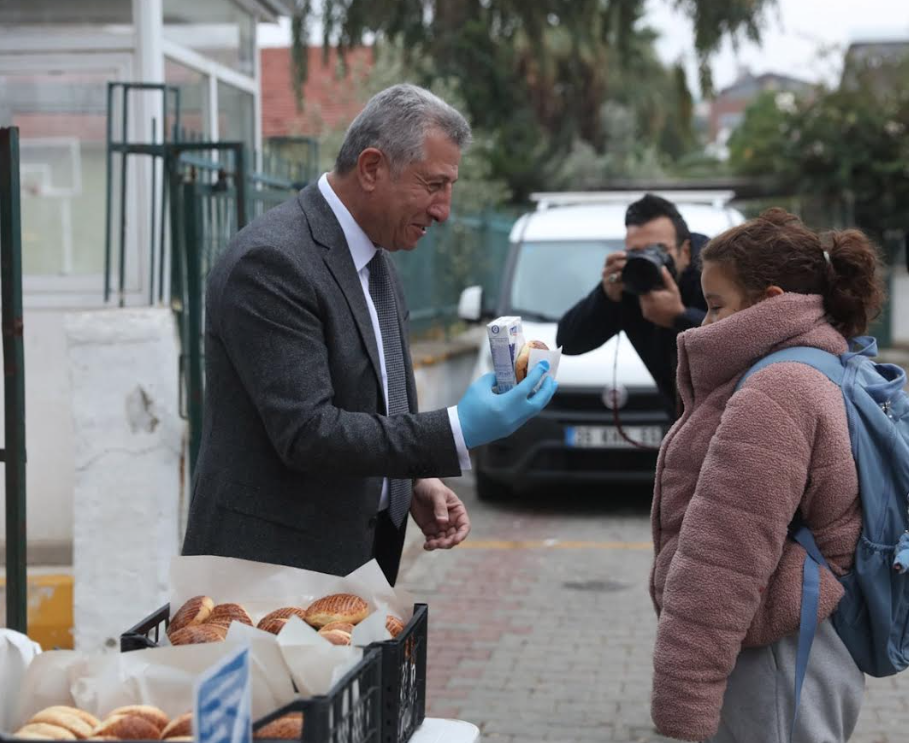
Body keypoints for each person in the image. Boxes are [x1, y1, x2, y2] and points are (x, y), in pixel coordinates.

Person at [181, 84, 557, 585]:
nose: (444, 210)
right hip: (270, 579)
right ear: (373, 168)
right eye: (433, 185)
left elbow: (377, 403)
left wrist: (412, 479)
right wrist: (456, 430)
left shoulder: (376, 257)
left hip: (353, 567)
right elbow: (309, 433)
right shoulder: (271, 263)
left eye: (450, 188)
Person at [649, 208, 883, 743]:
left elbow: (723, 561)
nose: (703, 323)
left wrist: (683, 697)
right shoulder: (819, 363)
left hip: (773, 657)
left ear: (771, 301)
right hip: (806, 641)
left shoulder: (774, 392)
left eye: (715, 305)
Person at [556, 194, 707, 417]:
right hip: (679, 423)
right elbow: (568, 342)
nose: (649, 260)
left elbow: (742, 339)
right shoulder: (631, 282)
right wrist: (606, 295)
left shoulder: (716, 272)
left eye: (659, 250)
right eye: (638, 252)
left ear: (685, 252)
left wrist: (680, 317)